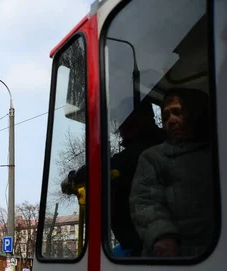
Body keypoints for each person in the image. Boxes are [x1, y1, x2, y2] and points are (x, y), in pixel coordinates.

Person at [61, 98, 166, 256]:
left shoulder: (142, 152)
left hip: (145, 244)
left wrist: (74, 178)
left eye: (122, 120)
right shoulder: (160, 143)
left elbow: (105, 167)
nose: (119, 126)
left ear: (137, 119)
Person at [130, 88, 213, 257]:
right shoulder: (153, 157)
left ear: (196, 114)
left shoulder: (216, 152)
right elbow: (144, 201)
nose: (171, 121)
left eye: (177, 112)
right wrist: (162, 236)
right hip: (176, 257)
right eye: (166, 116)